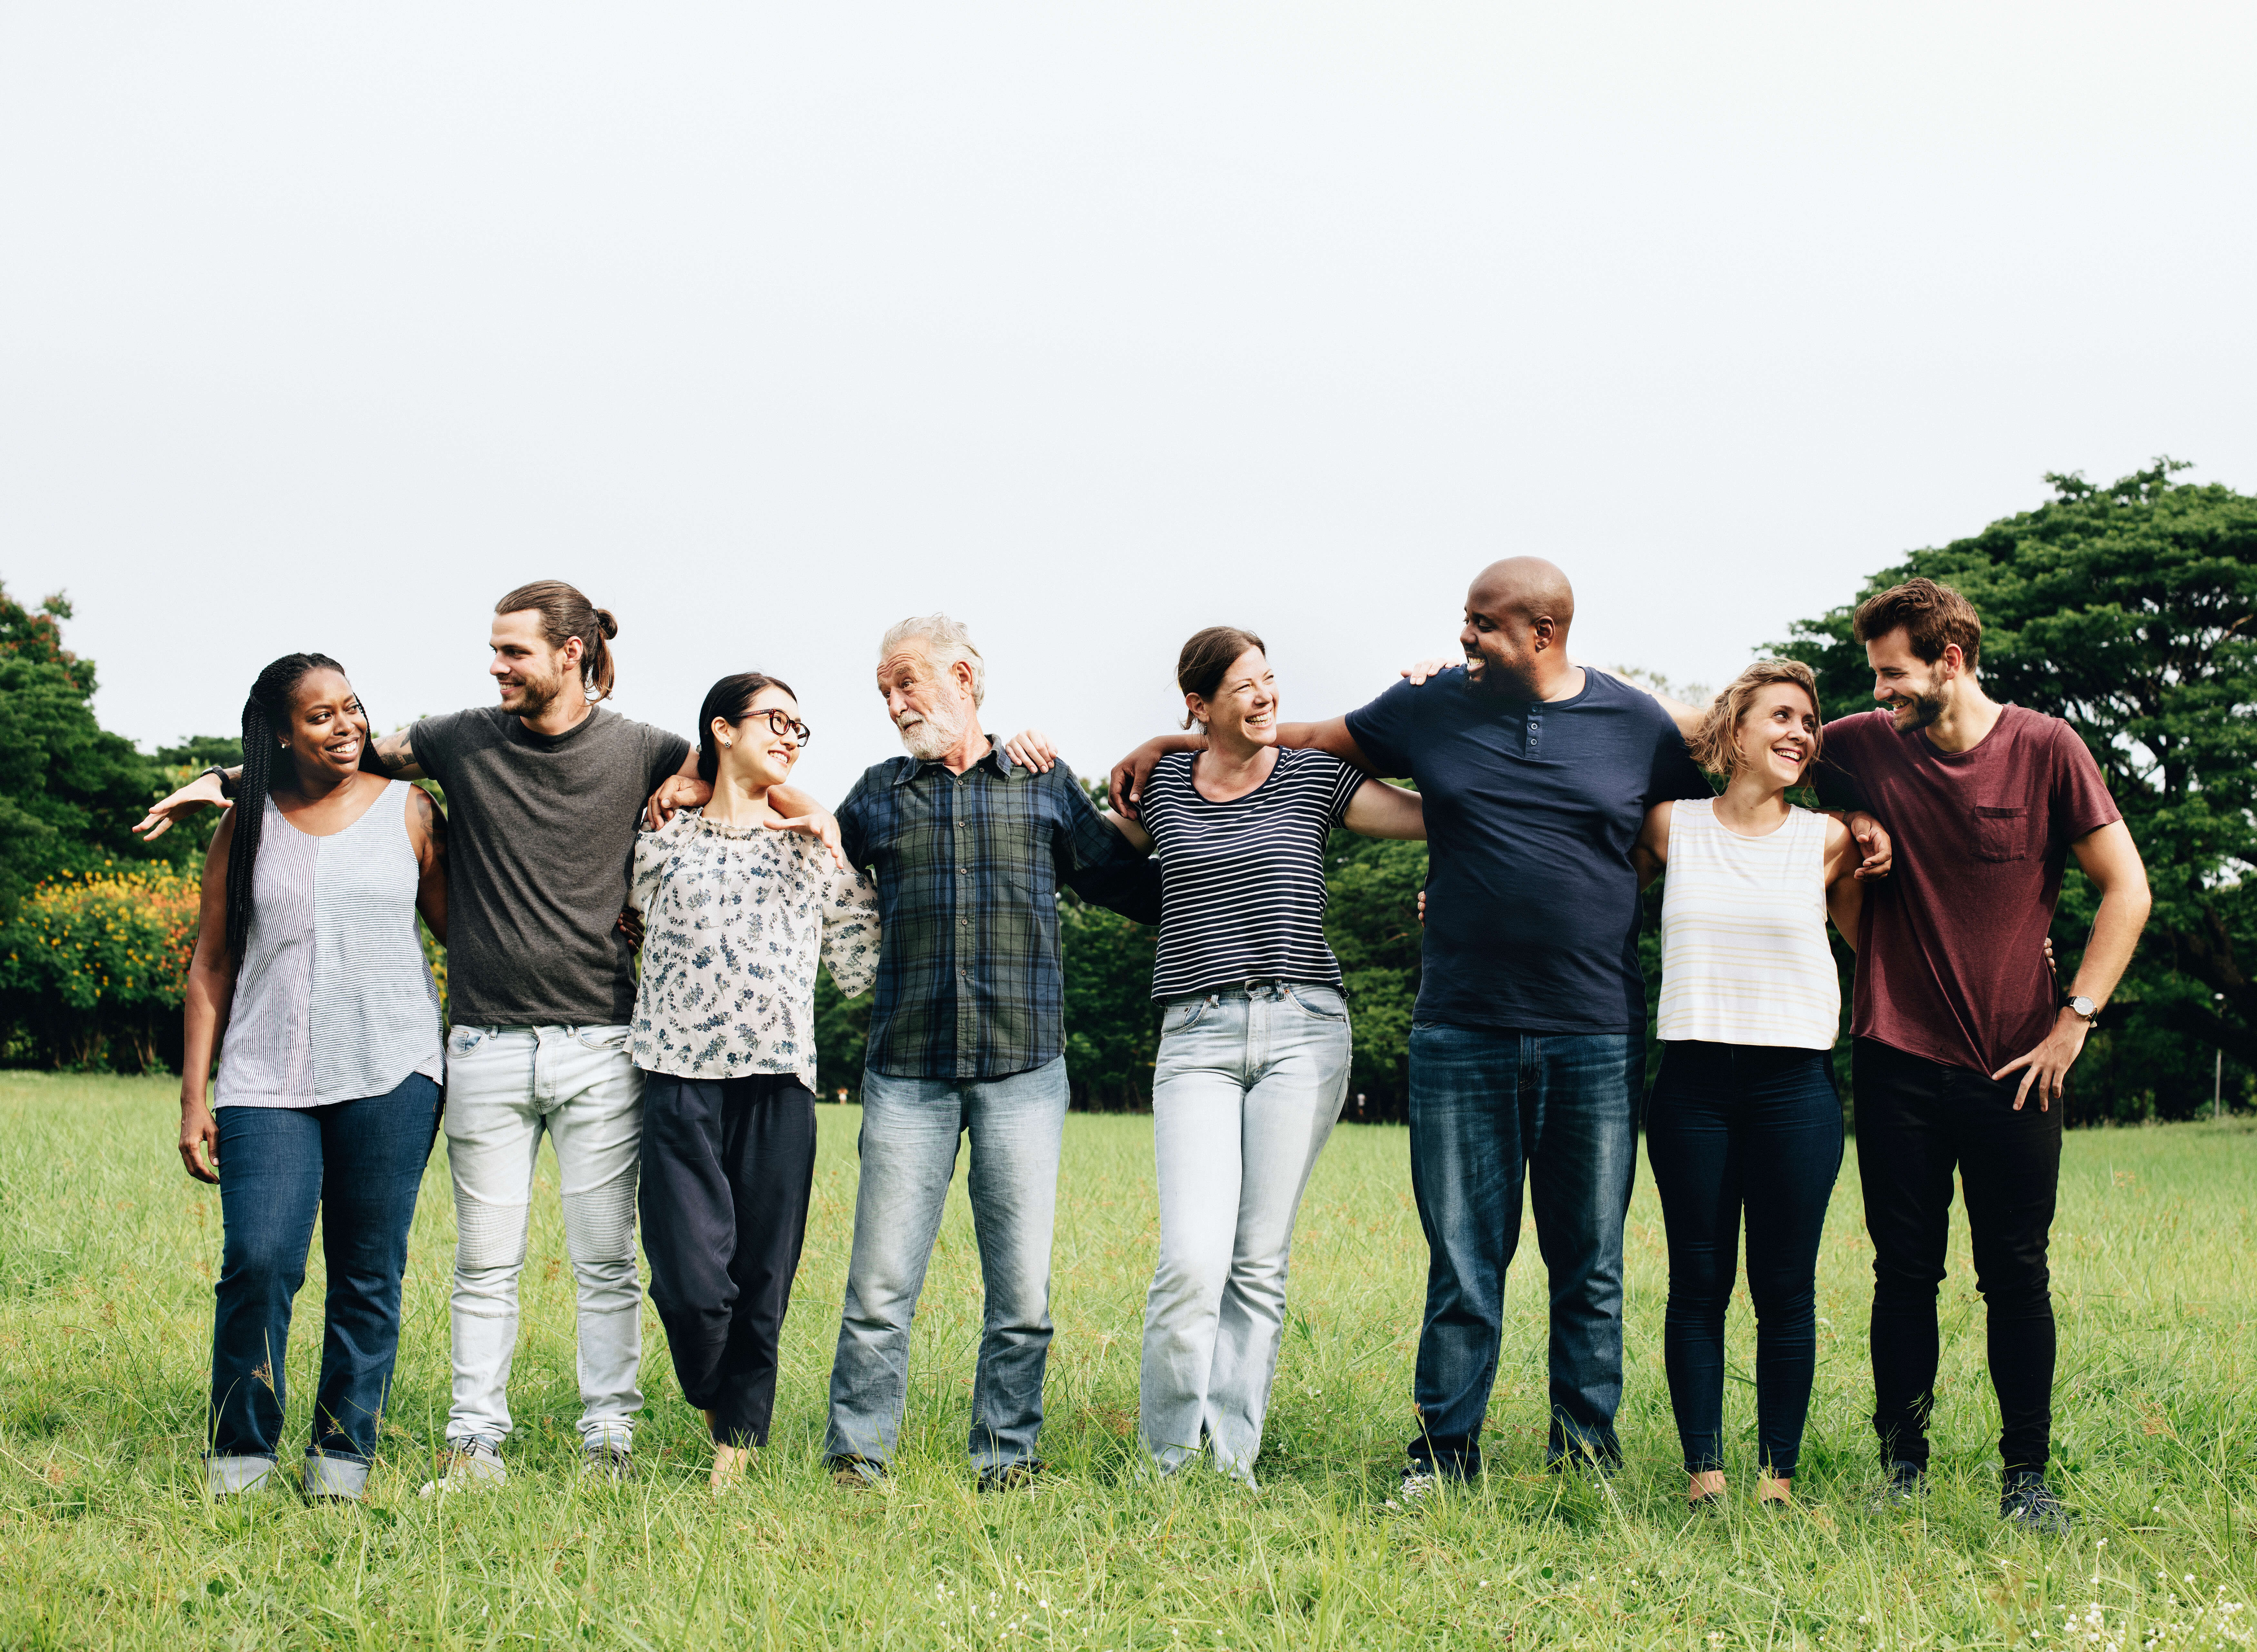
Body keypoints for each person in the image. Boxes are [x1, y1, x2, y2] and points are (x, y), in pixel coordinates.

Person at [1113, 560, 1891, 1497]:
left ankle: (1586, 1458)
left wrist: (1857, 818)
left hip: (1594, 1030)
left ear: (1543, 635)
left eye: (1483, 623)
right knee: (1465, 1262)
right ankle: (1444, 1455)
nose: (1465, 636)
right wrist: (1172, 736)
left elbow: (1742, 784)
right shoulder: (1432, 706)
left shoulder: (1634, 725)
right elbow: (1300, 736)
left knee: (1590, 1262)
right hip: (1460, 1029)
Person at [139, 581, 839, 1490]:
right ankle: (474, 1445)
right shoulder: (457, 738)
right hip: (482, 1043)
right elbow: (335, 754)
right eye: (495, 650)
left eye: (513, 651)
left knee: (606, 1259)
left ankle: (608, 1442)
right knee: (482, 1261)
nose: (496, 666)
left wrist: (792, 803)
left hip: (602, 1042)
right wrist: (220, 778)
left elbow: (737, 777)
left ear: (572, 654)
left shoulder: (650, 750)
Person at [658, 613, 1157, 1491]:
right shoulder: (881, 793)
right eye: (884, 691)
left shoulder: (1043, 784)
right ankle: (857, 1456)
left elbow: (1123, 878)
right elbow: (800, 835)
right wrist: (687, 781)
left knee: (1023, 1296)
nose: (893, 704)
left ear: (963, 676)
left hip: (1025, 1069)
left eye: (906, 684)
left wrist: (1186, 811)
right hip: (907, 1072)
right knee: (881, 1285)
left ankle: (1007, 1457)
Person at [1804, 577, 2150, 1531]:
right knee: (1903, 1270)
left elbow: (2128, 887)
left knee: (2016, 1271)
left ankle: (2026, 1480)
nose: (1879, 694)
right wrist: (1853, 833)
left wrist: (2074, 1017)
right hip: (1896, 1060)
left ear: (1949, 660)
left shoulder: (2047, 747)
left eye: (1893, 674)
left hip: (2018, 1063)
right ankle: (1902, 1467)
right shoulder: (1861, 747)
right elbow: (1740, 745)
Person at [1079, 627, 1425, 1486]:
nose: (1267, 695)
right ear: (1200, 704)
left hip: (1304, 1028)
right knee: (1193, 1256)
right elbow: (1084, 855)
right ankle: (1167, 1461)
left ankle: (1229, 1460)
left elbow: (1431, 815)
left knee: (1258, 1259)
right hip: (1195, 1034)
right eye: (1246, 685)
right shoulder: (1159, 782)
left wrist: (1439, 712)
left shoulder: (1314, 775)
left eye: (1271, 679)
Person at [178, 653, 447, 1500]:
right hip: (266, 1074)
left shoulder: (410, 810)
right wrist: (195, 1095)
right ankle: (242, 1453)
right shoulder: (247, 823)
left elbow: (467, 938)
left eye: (353, 707)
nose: (346, 724)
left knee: (370, 1269)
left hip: (393, 1067)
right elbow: (211, 962)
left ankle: (341, 1456)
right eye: (322, 714)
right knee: (258, 1258)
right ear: (282, 733)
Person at [627, 672, 879, 1490]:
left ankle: (736, 1450)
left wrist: (827, 829)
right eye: (776, 721)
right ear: (721, 728)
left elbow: (862, 967)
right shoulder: (663, 839)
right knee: (692, 1283)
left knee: (762, 1276)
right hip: (675, 1077)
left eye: (800, 729)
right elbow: (623, 934)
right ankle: (714, 1393)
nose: (790, 737)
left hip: (779, 1083)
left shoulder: (812, 847)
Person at [1629, 660, 1863, 1512]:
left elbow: (1890, 947)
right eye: (1782, 715)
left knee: (1784, 1285)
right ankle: (1705, 1471)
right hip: (1691, 1082)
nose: (1802, 730)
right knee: (1698, 1281)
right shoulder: (1670, 825)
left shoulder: (1832, 839)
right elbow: (1584, 888)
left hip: (1794, 1084)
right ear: (1733, 733)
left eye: (1811, 720)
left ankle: (1777, 1476)